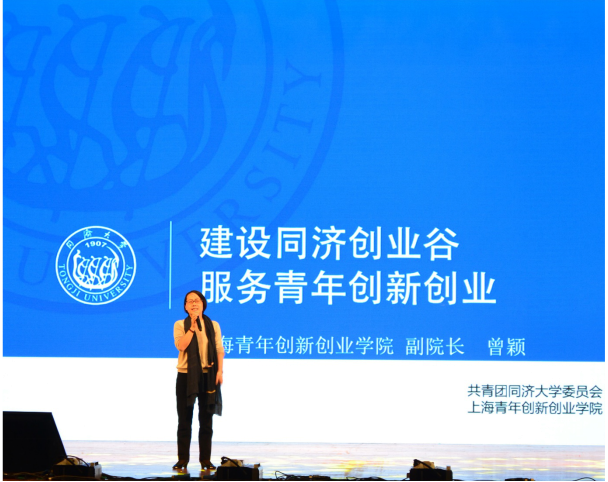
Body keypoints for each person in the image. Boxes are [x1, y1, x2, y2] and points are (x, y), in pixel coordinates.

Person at [173, 290, 224, 471]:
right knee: (184, 420)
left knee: (206, 421)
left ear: (203, 304)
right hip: (186, 376)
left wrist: (220, 371)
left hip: (208, 375)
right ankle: (182, 460)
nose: (194, 303)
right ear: (185, 307)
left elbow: (219, 349)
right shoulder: (180, 324)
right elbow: (181, 346)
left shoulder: (213, 325)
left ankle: (205, 460)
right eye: (190, 301)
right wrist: (192, 328)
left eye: (197, 300)